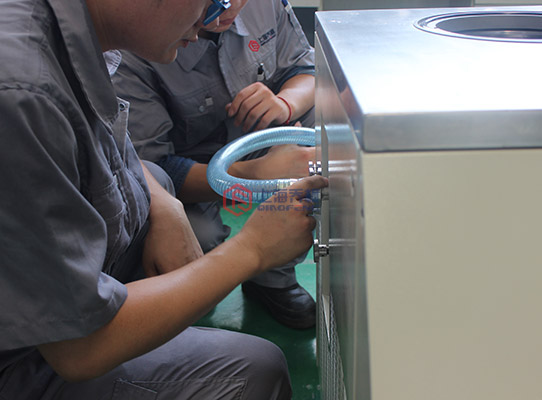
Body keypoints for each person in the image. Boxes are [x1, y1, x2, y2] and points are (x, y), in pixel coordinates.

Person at [0, 0, 327, 399]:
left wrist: (164, 205)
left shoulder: (72, 31)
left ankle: (255, 287)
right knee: (256, 370)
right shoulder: (23, 93)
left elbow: (115, 150)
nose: (213, 18)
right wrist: (251, 250)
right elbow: (79, 349)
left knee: (152, 182)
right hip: (28, 355)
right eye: (210, 1)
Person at [113, 0, 317, 329]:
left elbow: (305, 69)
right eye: (215, 1)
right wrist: (250, 175)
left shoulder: (265, 5)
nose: (228, 9)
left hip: (252, 140)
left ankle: (272, 279)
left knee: (321, 128)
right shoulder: (135, 41)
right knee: (193, 253)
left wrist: (285, 103)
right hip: (183, 172)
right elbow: (147, 164)